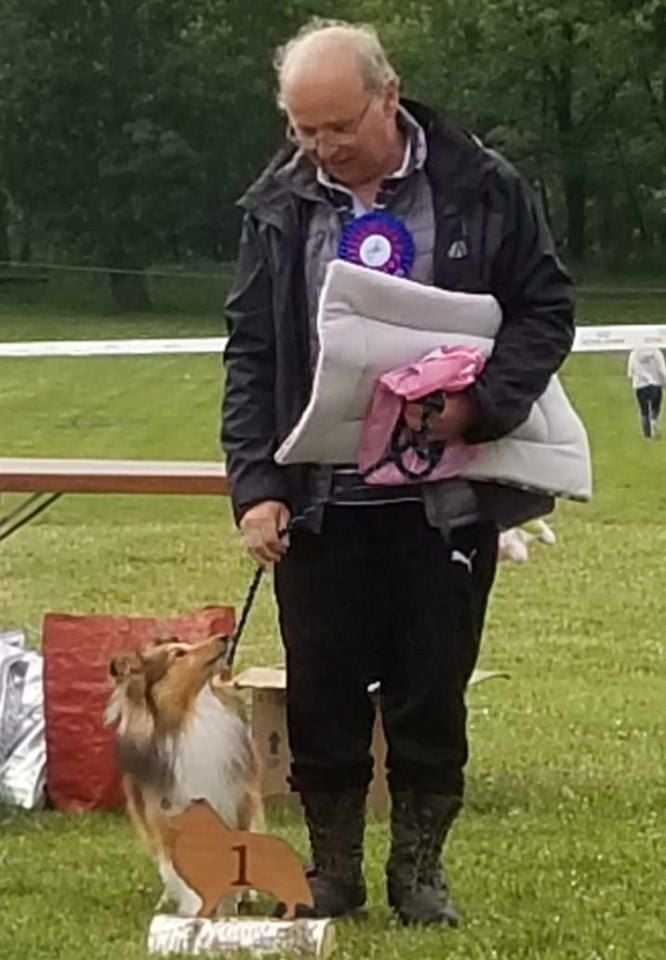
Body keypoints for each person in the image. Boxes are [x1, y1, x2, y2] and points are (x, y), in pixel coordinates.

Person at [222, 18, 574, 925]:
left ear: (390, 94)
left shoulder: (483, 186)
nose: (320, 148)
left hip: (442, 499)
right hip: (318, 503)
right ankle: (331, 871)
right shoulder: (278, 202)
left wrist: (481, 405)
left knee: (432, 689)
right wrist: (255, 484)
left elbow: (544, 309)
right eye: (303, 129)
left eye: (338, 127)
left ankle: (419, 873)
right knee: (321, 691)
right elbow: (253, 351)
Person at [627, 346, 666, 439]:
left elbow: (630, 371)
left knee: (644, 411)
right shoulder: (656, 352)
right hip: (655, 384)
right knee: (655, 408)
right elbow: (662, 369)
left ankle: (647, 434)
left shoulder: (634, 353)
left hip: (640, 385)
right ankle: (654, 422)